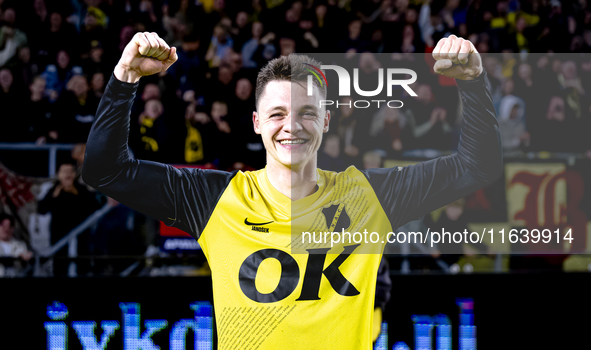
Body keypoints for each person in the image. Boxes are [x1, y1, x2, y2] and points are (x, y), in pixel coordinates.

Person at [82, 32, 502, 349]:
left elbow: (477, 166)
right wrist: (126, 78)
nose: (292, 125)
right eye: (278, 113)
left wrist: (472, 81)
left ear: (326, 121)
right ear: (256, 123)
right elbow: (105, 171)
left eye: (307, 112)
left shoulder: (370, 196)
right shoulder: (214, 199)